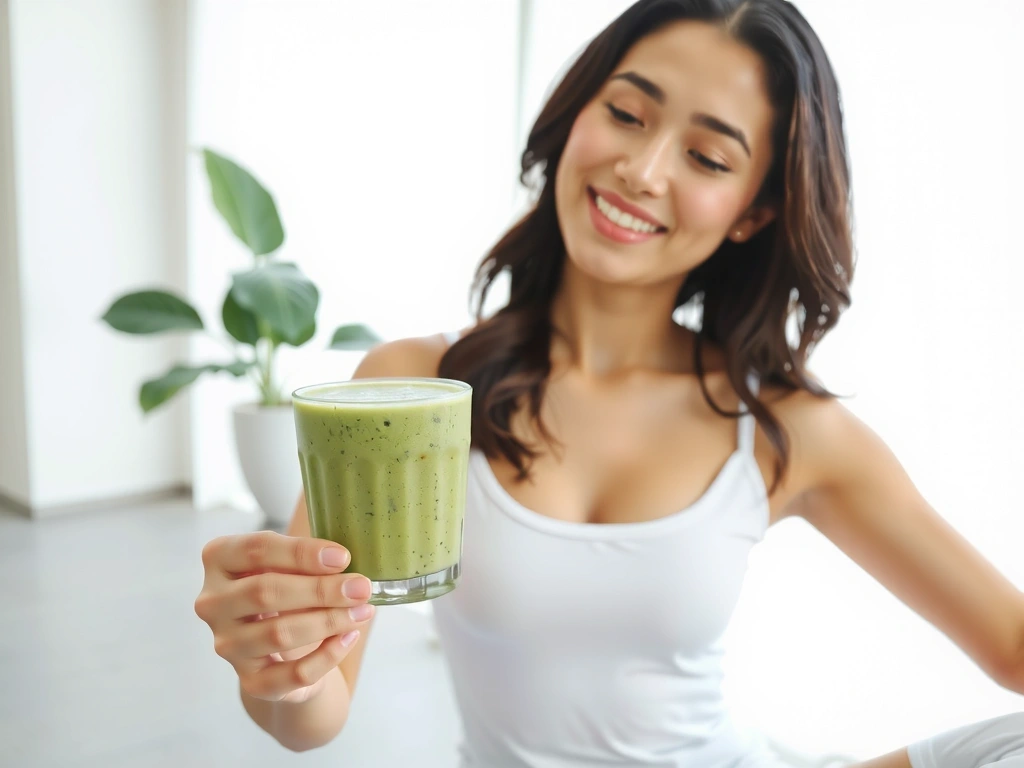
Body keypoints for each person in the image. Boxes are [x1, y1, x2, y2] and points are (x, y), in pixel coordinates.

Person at [193, 1, 1024, 765]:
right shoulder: (415, 388)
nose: (642, 168)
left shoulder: (786, 427)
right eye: (626, 113)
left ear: (752, 212)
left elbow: (1013, 647)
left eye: (705, 155)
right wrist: (285, 665)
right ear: (577, 112)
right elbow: (313, 716)